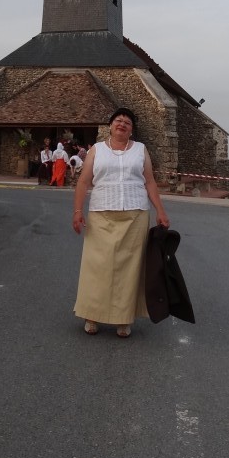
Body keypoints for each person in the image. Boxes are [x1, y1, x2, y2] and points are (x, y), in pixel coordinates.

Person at [72, 107, 170, 338]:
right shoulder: (96, 150)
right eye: (118, 120)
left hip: (135, 215)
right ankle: (91, 315)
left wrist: (160, 211)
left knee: (129, 269)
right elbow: (84, 181)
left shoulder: (140, 150)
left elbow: (149, 182)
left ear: (131, 129)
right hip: (101, 214)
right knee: (98, 266)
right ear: (110, 125)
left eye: (127, 122)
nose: (122, 124)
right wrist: (77, 211)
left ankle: (123, 319)